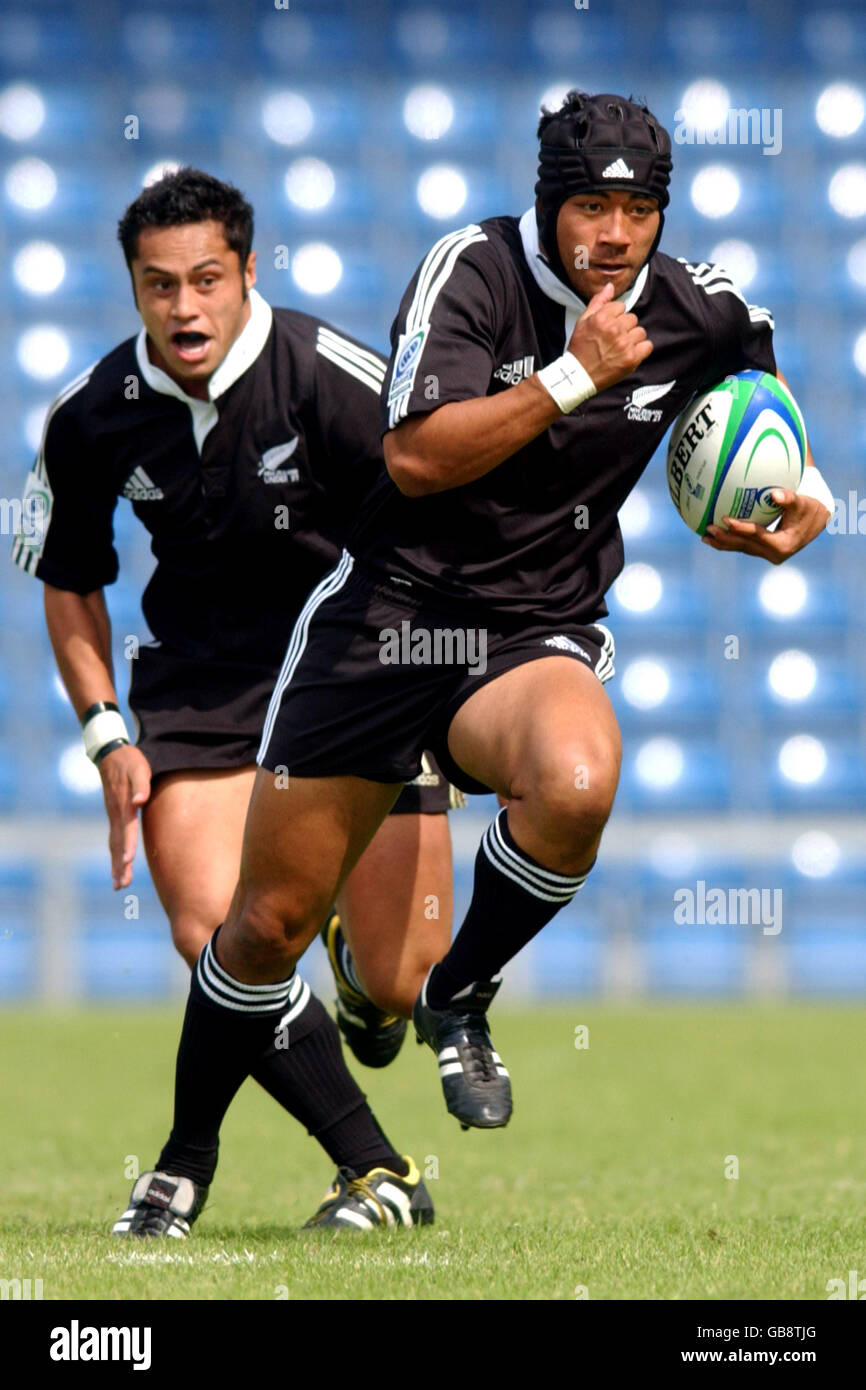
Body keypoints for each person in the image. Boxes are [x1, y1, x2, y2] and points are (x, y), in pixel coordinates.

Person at [99, 92, 834, 1232]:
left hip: (529, 637)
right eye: (589, 203)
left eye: (637, 208)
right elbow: (412, 457)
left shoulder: (699, 306)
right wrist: (572, 376)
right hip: (382, 626)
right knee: (264, 925)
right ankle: (182, 1162)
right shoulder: (474, 273)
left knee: (579, 777)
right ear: (547, 205)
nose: (612, 232)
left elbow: (754, 388)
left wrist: (806, 498)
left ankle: (462, 994)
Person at [11, 167, 462, 1233]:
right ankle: (372, 1168)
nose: (184, 308)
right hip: (203, 688)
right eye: (158, 285)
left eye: (206, 279)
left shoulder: (335, 379)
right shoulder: (92, 417)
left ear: (248, 273)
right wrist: (106, 730)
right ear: (133, 291)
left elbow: (442, 518)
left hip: (355, 674)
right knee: (219, 929)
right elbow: (68, 578)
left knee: (401, 978)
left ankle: (358, 969)